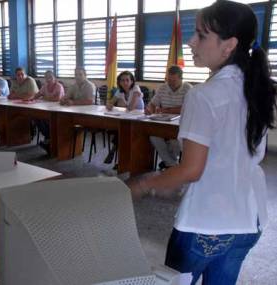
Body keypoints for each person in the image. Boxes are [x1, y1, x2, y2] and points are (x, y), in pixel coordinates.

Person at [128, 1, 276, 284]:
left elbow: (190, 170)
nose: (191, 41)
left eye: (201, 35)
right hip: (249, 219)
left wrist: (143, 183)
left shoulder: (203, 95)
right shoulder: (256, 87)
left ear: (228, 44)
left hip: (206, 222)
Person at [146, 65, 192, 169]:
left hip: (180, 124)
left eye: (173, 80)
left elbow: (186, 108)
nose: (170, 83)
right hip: (163, 122)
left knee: (175, 141)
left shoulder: (188, 88)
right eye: (168, 80)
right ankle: (172, 164)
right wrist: (149, 108)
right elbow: (153, 103)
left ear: (181, 79)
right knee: (153, 136)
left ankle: (169, 163)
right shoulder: (163, 87)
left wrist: (166, 110)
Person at [104, 71, 144, 164]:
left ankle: (115, 152)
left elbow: (131, 107)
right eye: (122, 80)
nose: (125, 82)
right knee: (121, 130)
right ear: (119, 82)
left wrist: (121, 103)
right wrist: (110, 104)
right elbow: (110, 103)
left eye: (127, 80)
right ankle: (121, 160)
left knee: (122, 131)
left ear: (132, 81)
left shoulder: (136, 89)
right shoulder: (119, 91)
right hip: (126, 118)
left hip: (139, 120)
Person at [34, 70, 65, 153]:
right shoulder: (45, 86)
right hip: (47, 109)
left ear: (54, 78)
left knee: (47, 120)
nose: (48, 79)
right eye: (46, 77)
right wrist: (32, 98)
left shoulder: (59, 86)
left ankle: (49, 139)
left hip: (58, 111)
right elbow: (38, 95)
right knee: (36, 117)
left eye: (50, 77)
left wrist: (44, 98)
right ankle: (49, 138)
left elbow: (57, 99)